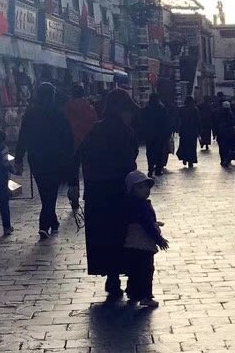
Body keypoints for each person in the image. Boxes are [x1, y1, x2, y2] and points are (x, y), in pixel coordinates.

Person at [79, 88, 139, 298]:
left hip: (96, 190)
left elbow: (81, 155)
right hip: (119, 189)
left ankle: (111, 276)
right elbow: (130, 160)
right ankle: (128, 276)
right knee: (123, 233)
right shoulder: (126, 132)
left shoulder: (95, 130)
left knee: (103, 235)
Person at [16, 81, 75, 240]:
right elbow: (68, 139)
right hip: (55, 159)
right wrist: (70, 159)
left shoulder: (30, 114)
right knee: (51, 192)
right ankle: (44, 225)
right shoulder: (59, 115)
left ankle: (53, 221)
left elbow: (23, 137)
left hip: (36, 159)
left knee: (44, 191)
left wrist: (19, 158)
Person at [121, 170, 169, 308]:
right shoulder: (141, 206)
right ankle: (146, 296)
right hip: (143, 244)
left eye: (146, 186)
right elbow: (147, 225)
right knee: (146, 270)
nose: (146, 190)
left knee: (134, 270)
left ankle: (132, 292)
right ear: (132, 190)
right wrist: (159, 239)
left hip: (131, 243)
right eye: (140, 187)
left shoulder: (130, 204)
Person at [139, 94, 173, 177]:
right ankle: (158, 169)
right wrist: (168, 133)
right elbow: (166, 122)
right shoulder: (162, 109)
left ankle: (150, 168)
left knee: (150, 152)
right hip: (160, 135)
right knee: (159, 152)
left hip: (150, 135)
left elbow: (142, 122)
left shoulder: (147, 109)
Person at [65, 84, 99, 151]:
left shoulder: (67, 109)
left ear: (72, 94)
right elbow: (95, 125)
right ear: (83, 94)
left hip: (72, 144)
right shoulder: (90, 109)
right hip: (88, 143)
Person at [176, 95, 201, 168]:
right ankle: (191, 160)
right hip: (192, 131)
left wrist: (177, 129)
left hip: (184, 130)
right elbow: (198, 120)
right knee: (192, 147)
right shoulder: (195, 109)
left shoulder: (181, 109)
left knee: (184, 145)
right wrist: (199, 130)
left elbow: (178, 119)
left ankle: (184, 157)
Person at [215, 100, 235, 167]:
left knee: (222, 148)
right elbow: (234, 123)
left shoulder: (219, 114)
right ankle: (226, 159)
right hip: (229, 134)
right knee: (228, 147)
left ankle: (223, 160)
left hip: (222, 133)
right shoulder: (231, 114)